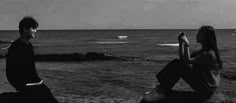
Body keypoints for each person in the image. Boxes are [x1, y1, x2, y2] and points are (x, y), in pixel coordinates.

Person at [142, 26, 223, 102]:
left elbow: (186, 61)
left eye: (199, 33)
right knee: (177, 63)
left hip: (206, 90)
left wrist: (187, 43)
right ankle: (160, 89)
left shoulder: (209, 53)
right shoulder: (202, 52)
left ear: (206, 37)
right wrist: (181, 43)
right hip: (203, 87)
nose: (196, 34)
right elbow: (183, 60)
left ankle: (160, 90)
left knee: (178, 65)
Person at [6, 16, 59, 103]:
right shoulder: (16, 47)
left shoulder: (29, 46)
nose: (36, 31)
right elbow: (10, 71)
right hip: (26, 85)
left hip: (34, 83)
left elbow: (31, 69)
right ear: (25, 29)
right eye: (33, 28)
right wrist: (21, 86)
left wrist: (39, 82)